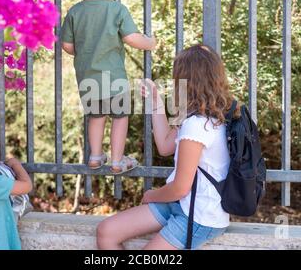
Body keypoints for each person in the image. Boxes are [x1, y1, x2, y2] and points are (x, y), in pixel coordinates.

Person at [97, 45, 237, 249]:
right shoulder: (210, 115)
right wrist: (155, 101)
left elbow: (180, 188)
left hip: (199, 216)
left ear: (186, 81)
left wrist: (151, 195)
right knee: (106, 232)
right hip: (181, 204)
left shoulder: (198, 125)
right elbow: (164, 146)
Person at [61, 0, 156, 174]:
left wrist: (85, 50)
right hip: (114, 79)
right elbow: (132, 39)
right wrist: (150, 43)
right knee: (120, 118)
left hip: (88, 80)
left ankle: (95, 155)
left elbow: (67, 46)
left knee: (96, 117)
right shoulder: (117, 10)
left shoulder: (75, 12)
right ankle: (116, 160)